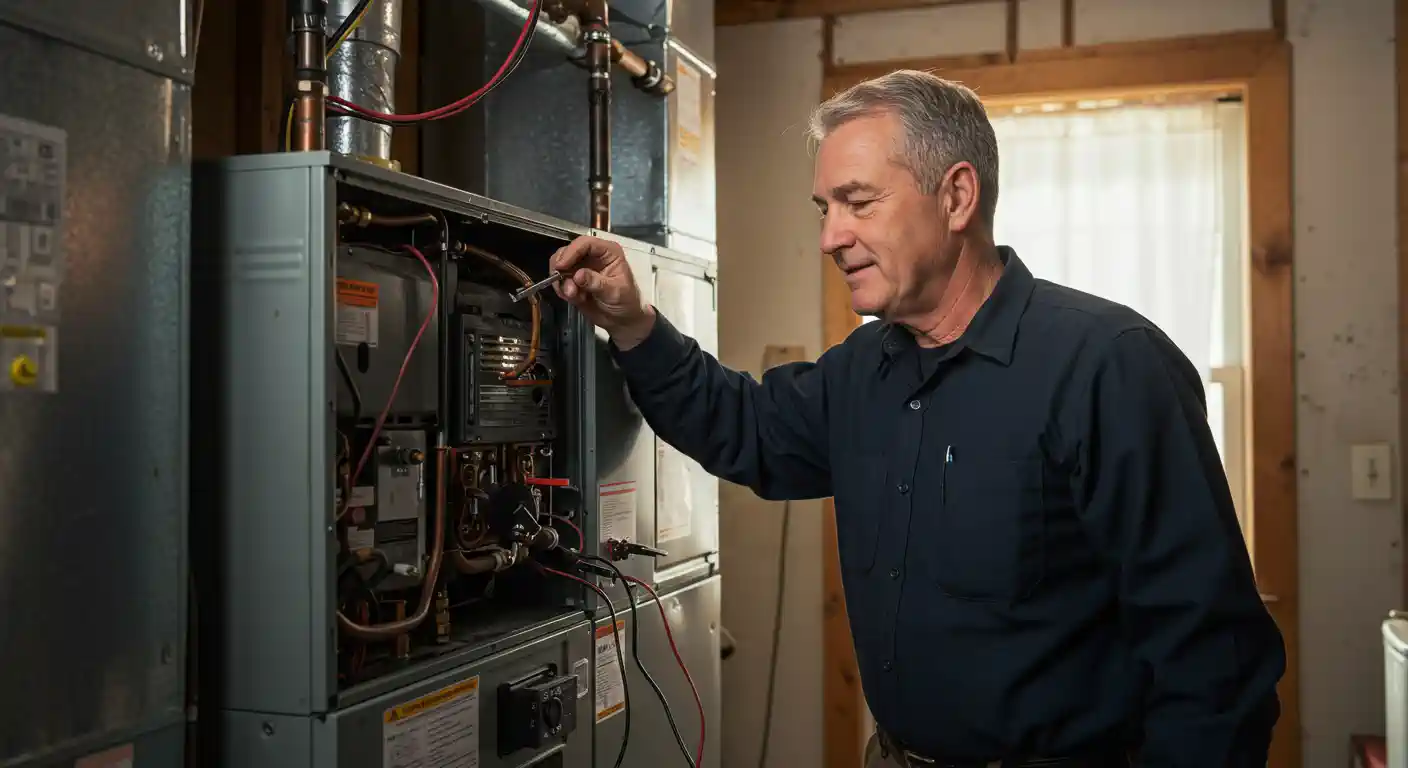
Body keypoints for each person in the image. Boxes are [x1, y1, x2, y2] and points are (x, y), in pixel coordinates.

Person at [550, 69, 1285, 768]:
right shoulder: (862, 370)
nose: (829, 237)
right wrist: (635, 324)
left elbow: (1213, 660)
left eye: (858, 202)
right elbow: (738, 425)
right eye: (824, 209)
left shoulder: (1109, 366)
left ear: (957, 196)